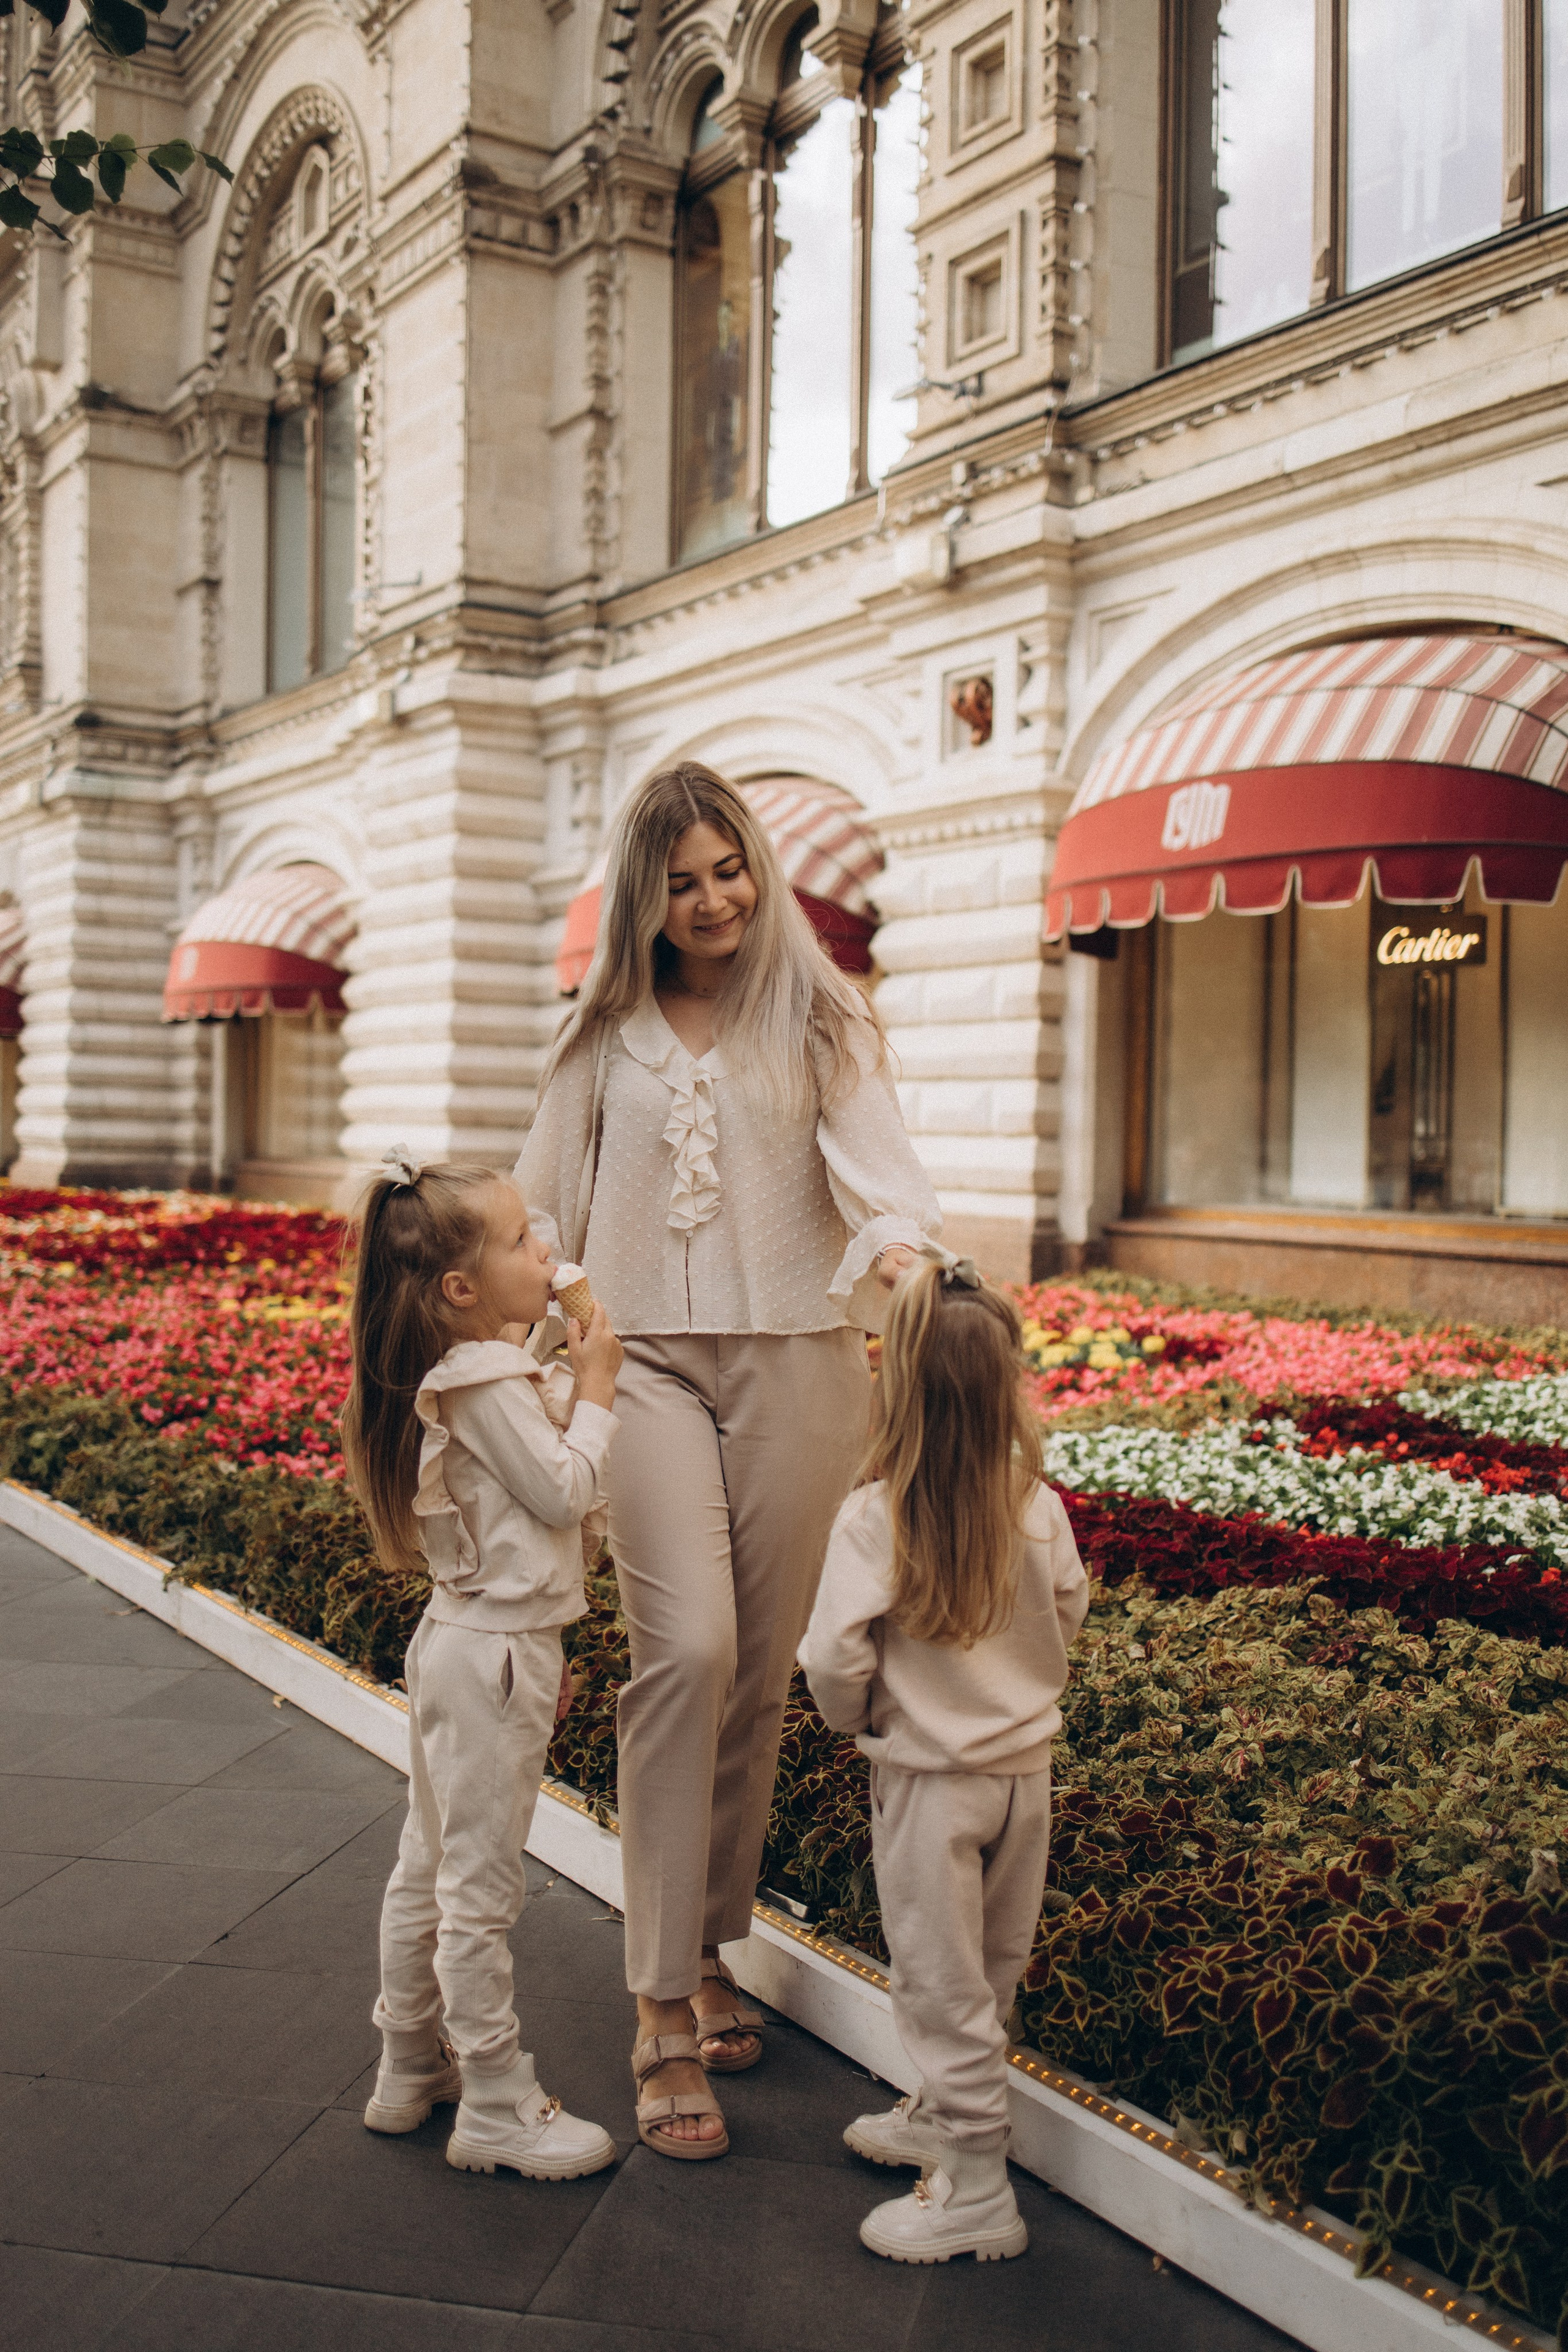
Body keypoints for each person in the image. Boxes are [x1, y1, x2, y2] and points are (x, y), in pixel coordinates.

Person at [518, 762, 941, 2159]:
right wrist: (541, 1348)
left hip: (799, 1360)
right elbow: (539, 1215)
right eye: (680, 880)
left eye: (727, 870)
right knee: (685, 1651)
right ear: (643, 897)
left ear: (755, 871)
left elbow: (882, 1178)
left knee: (756, 1672)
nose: (711, 900)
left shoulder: (821, 1016)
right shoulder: (597, 1038)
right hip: (635, 1361)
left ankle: (712, 1944)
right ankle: (654, 2005)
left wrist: (910, 1265)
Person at [799, 1250, 1089, 2262]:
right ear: (1005, 1382)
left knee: (937, 1985)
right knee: (991, 1970)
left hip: (929, 1784)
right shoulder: (1037, 1506)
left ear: (898, 1381)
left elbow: (832, 1659)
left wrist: (859, 1716)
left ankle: (974, 2187)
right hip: (1025, 1779)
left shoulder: (876, 1517)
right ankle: (940, 2111)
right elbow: (1070, 1609)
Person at [344, 1147, 624, 2181]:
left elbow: (517, 1461)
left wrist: (555, 1348)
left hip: (458, 1641)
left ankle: (410, 2061)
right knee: (481, 1886)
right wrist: (599, 1389)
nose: (542, 1246)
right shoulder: (487, 1378)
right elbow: (561, 1490)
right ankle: (499, 2098)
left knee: (429, 1859)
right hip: (503, 1656)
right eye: (519, 1239)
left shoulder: (467, 1368)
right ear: (461, 1290)